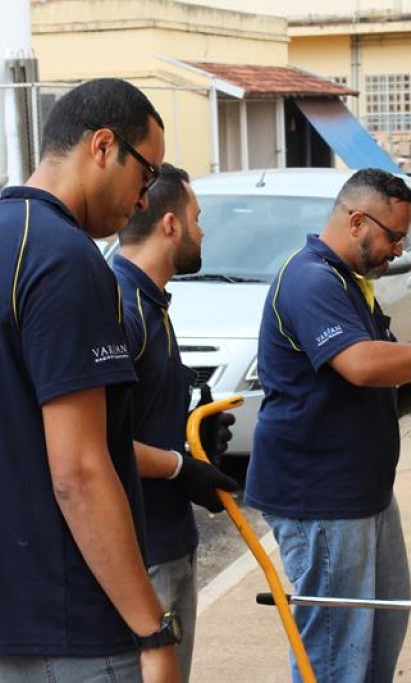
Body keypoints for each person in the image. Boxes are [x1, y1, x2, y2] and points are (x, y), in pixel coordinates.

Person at [0, 78, 181, 683]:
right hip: (66, 634)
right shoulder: (65, 259)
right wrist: (153, 630)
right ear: (102, 146)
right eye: (146, 174)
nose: (144, 200)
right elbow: (80, 473)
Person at [244, 168, 411, 683]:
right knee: (333, 655)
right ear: (356, 220)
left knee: (379, 632)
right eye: (392, 236)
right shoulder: (309, 279)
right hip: (320, 499)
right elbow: (363, 365)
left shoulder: (349, 282)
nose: (397, 249)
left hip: (363, 492)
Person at [112, 162, 239, 683]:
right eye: (197, 217)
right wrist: (178, 468)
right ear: (170, 224)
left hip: (166, 543)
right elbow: (99, 441)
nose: (202, 230)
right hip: (144, 555)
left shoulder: (150, 301)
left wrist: (190, 433)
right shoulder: (122, 307)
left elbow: (136, 414)